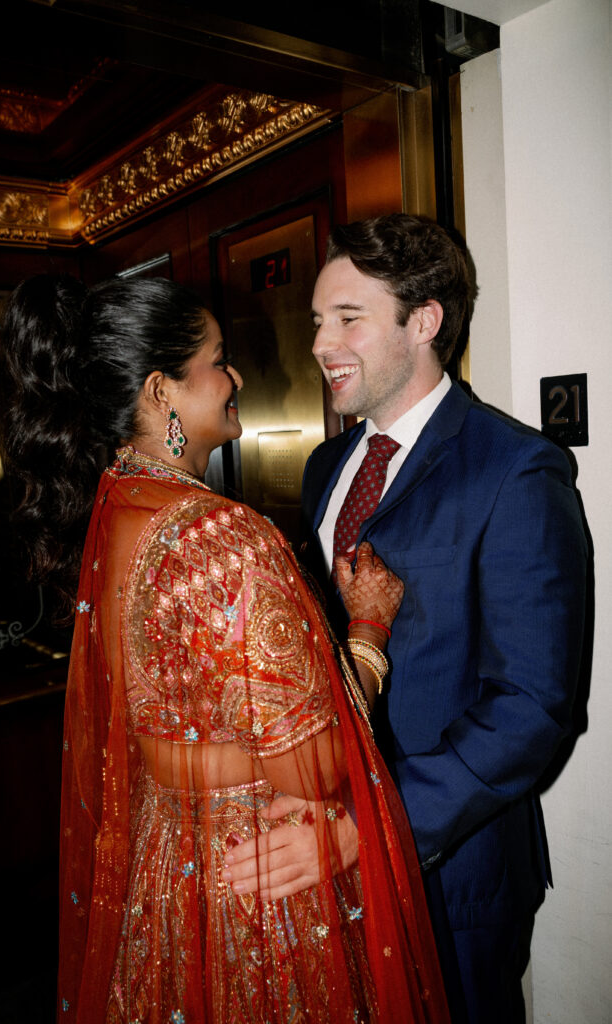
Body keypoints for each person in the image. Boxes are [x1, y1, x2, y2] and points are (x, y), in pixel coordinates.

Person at [0, 273, 451, 1023]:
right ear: (160, 390)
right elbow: (312, 762)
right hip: (255, 882)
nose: (234, 377)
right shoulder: (217, 534)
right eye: (216, 359)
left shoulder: (116, 510)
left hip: (169, 871)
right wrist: (365, 636)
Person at [223, 214, 588, 1023]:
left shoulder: (516, 471)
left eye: (347, 318)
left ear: (423, 321)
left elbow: (532, 708)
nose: (321, 343)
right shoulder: (327, 465)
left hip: (448, 871)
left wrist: (371, 825)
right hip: (321, 850)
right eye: (318, 319)